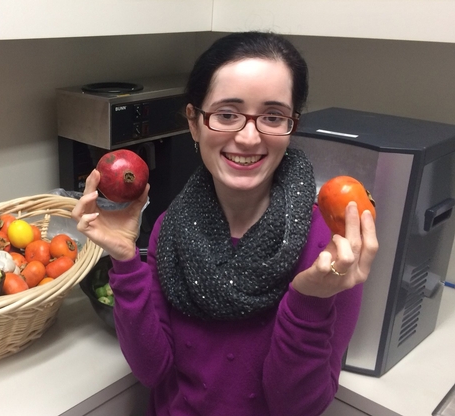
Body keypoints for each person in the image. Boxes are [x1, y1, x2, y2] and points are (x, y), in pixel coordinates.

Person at [72, 31, 378, 416]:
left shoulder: (329, 251)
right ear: (195, 123)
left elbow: (297, 407)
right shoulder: (172, 228)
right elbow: (153, 370)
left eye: (272, 116)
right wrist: (125, 261)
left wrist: (309, 300)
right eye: (228, 114)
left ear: (291, 127)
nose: (249, 138)